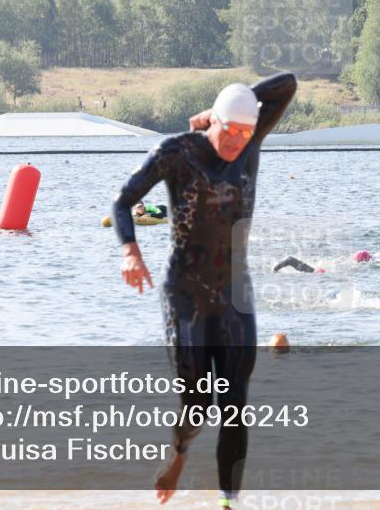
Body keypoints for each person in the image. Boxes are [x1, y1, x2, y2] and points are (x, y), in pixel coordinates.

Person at [112, 73, 296, 508]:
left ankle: (229, 501)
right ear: (214, 122)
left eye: (245, 133)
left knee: (235, 404)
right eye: (229, 131)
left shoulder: (249, 144)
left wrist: (238, 106)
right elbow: (123, 201)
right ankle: (178, 453)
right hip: (186, 297)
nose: (236, 142)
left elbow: (287, 85)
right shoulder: (177, 152)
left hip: (234, 296)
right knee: (197, 405)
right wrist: (130, 251)